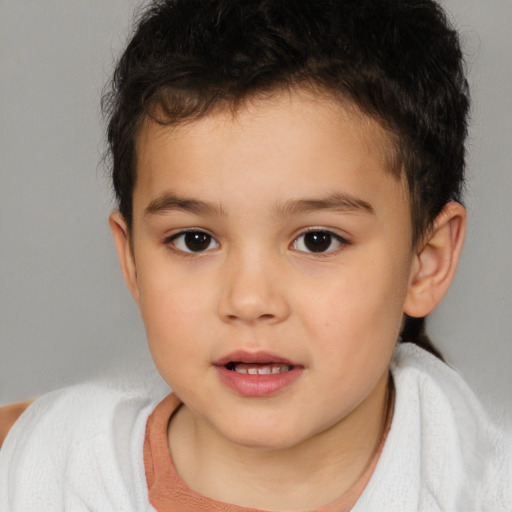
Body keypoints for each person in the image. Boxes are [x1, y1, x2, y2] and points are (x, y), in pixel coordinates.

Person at [1, 0, 511, 510]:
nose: (249, 300)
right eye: (195, 240)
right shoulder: (33, 468)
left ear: (426, 261)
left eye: (317, 240)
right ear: (132, 260)